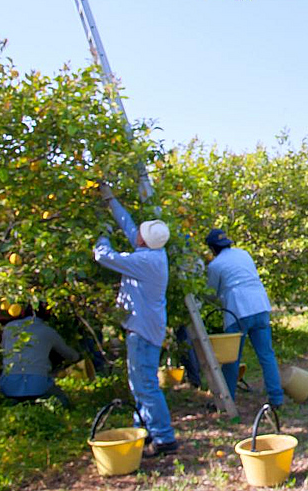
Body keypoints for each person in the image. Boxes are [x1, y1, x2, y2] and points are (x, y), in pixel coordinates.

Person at [93, 184, 177, 457]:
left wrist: (102, 234)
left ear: (143, 241)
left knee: (144, 385)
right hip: (147, 326)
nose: (136, 234)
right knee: (139, 383)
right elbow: (129, 226)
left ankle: (164, 438)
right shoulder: (154, 252)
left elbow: (103, 257)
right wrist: (111, 200)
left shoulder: (144, 262)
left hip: (142, 330)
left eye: (139, 234)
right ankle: (145, 432)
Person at [205, 228, 284, 408]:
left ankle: (228, 400)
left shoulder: (215, 266)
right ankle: (276, 398)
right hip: (260, 305)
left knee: (232, 358)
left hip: (237, 310)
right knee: (266, 355)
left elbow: (210, 293)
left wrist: (213, 299)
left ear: (212, 248)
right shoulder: (243, 254)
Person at [0, 306, 79, 407]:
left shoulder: (9, 328)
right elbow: (69, 354)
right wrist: (78, 356)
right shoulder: (47, 331)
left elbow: (3, 351)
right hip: (37, 386)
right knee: (63, 401)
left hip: (9, 385)